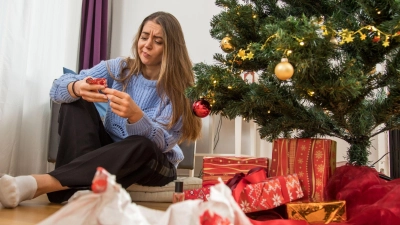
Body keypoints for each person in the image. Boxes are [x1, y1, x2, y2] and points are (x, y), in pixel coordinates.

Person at [0, 11, 202, 208]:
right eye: (144, 37)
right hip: (106, 151)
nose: (147, 45)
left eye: (157, 41)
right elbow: (57, 88)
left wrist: (136, 116)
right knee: (75, 100)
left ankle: (38, 184)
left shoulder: (180, 90)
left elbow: (163, 144)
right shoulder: (120, 68)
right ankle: (77, 191)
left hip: (154, 163)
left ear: (170, 48)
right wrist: (76, 87)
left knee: (142, 145)